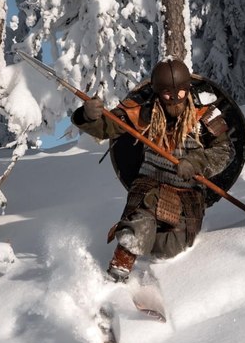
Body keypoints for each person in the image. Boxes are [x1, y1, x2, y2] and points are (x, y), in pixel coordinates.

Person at [71, 58, 235, 282]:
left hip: (188, 195)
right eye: (167, 94)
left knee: (169, 249)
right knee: (142, 220)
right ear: (158, 92)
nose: (174, 99)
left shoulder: (205, 113)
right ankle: (119, 268)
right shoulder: (143, 110)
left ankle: (150, 255)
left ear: (187, 89)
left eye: (180, 93)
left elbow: (225, 151)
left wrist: (197, 162)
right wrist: (88, 116)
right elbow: (106, 128)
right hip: (150, 185)